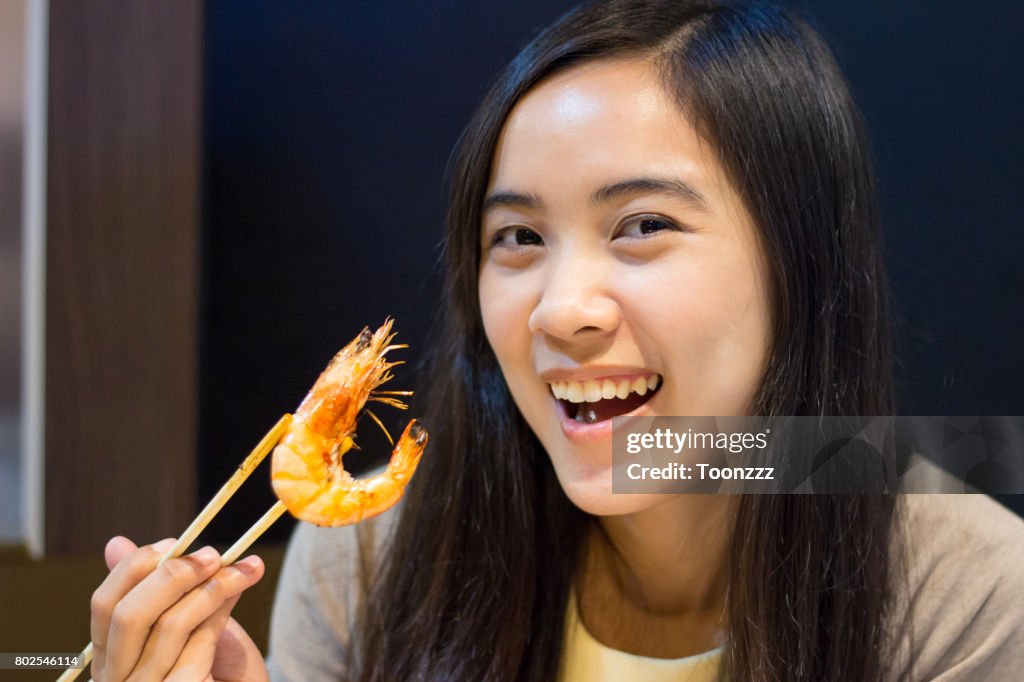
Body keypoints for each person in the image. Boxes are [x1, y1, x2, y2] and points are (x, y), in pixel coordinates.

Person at [89, 1, 1024, 680]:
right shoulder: (369, 563)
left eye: (644, 225)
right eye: (519, 238)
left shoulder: (970, 590)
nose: (559, 310)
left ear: (801, 260)